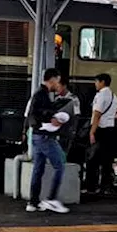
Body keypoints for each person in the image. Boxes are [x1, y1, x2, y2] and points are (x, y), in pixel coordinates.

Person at [25, 68, 73, 214]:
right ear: (52, 79)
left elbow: (31, 113)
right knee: (60, 164)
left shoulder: (39, 94)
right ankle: (51, 199)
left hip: (37, 136)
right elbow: (36, 113)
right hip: (45, 136)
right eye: (57, 81)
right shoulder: (42, 95)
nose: (57, 85)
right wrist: (51, 118)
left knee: (38, 169)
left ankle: (33, 202)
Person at [84, 73, 117, 196]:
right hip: (110, 130)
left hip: (100, 129)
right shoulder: (113, 96)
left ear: (102, 82)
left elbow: (97, 114)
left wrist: (92, 132)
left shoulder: (101, 96)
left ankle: (91, 186)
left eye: (96, 81)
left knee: (92, 159)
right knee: (107, 160)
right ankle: (106, 186)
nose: (95, 84)